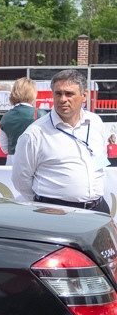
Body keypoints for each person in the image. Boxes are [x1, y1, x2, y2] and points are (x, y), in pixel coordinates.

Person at [12, 69, 109, 213]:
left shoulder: (96, 123)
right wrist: (43, 204)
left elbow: (101, 160)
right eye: (58, 93)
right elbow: (20, 179)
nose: (63, 99)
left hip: (98, 209)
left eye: (69, 94)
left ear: (84, 96)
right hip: (55, 213)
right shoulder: (35, 134)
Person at [0, 78, 37, 163]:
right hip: (35, 161)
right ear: (33, 94)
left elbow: (4, 148)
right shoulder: (41, 114)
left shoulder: (5, 117)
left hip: (13, 161)